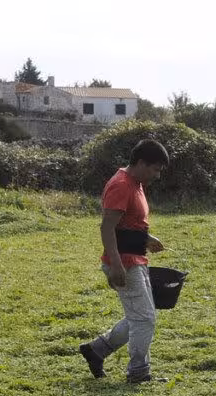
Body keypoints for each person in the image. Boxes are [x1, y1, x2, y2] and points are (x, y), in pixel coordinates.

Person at [78, 139, 170, 383]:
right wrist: (116, 265)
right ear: (141, 163)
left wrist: (146, 238)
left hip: (135, 258)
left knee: (140, 315)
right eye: (155, 169)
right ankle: (138, 372)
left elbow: (126, 224)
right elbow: (107, 227)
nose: (158, 175)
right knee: (144, 318)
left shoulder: (136, 183)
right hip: (125, 262)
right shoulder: (121, 185)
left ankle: (97, 350)